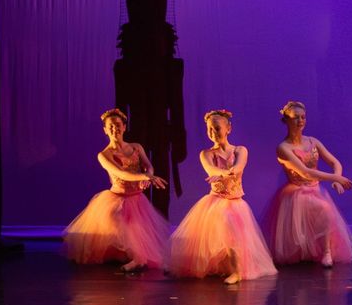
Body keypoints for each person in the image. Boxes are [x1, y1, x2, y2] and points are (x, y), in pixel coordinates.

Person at [169, 110, 278, 283]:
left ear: (228, 129)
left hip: (235, 202)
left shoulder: (240, 150)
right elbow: (211, 170)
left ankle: (236, 271)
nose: (213, 133)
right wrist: (221, 173)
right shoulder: (206, 154)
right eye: (209, 129)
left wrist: (227, 173)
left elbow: (238, 167)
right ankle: (229, 269)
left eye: (217, 128)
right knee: (223, 232)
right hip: (215, 201)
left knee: (232, 233)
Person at [62, 108, 171, 271]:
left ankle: (137, 257)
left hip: (137, 198)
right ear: (105, 130)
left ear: (124, 127)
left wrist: (149, 175)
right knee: (118, 223)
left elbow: (149, 166)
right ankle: (138, 259)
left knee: (137, 230)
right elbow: (122, 174)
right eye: (111, 126)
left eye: (118, 125)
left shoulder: (136, 147)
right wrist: (145, 177)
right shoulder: (104, 155)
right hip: (117, 197)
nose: (115, 129)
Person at [261, 101, 352, 267]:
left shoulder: (313, 142)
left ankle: (326, 251)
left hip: (315, 189)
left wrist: (337, 177)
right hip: (296, 192)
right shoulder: (283, 148)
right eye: (295, 117)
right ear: (286, 121)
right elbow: (305, 172)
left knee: (325, 211)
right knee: (318, 213)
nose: (300, 121)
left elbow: (335, 162)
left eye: (303, 117)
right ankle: (306, 251)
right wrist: (335, 178)